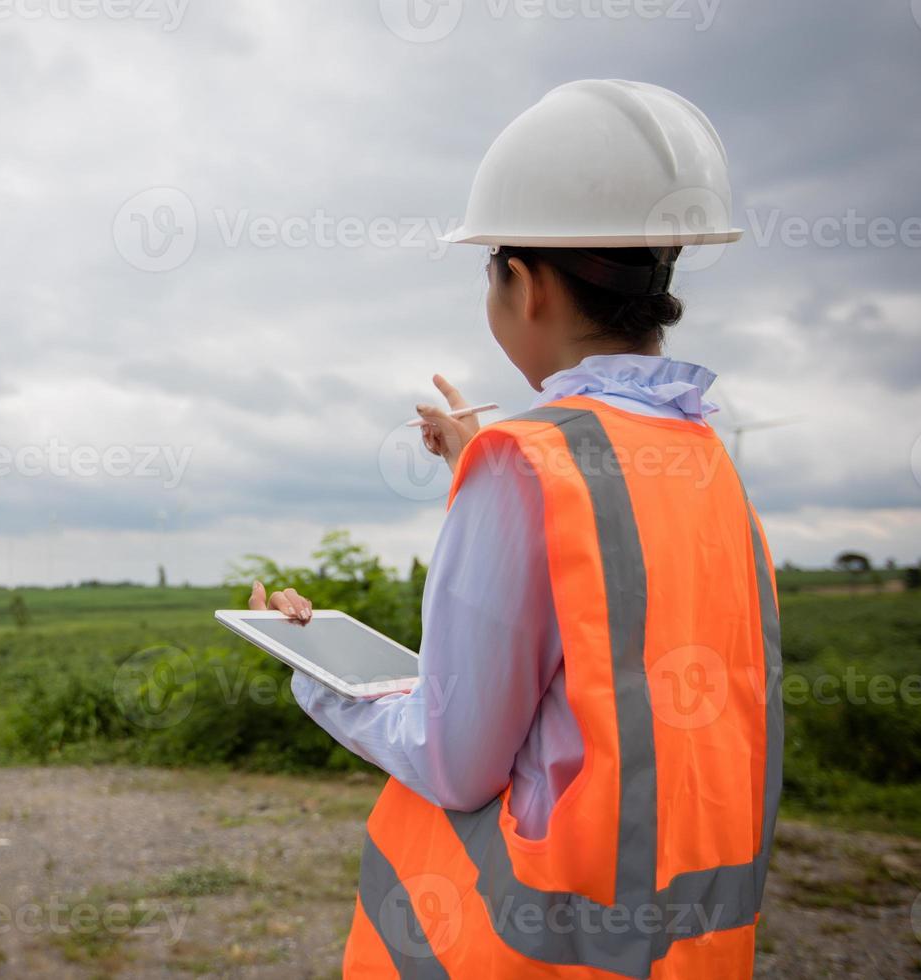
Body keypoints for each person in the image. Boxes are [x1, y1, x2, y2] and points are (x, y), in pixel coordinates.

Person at [248, 80, 782, 978]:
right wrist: (482, 465)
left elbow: (455, 761)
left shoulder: (525, 466)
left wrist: (321, 683)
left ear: (524, 284)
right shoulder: (703, 459)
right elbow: (602, 621)